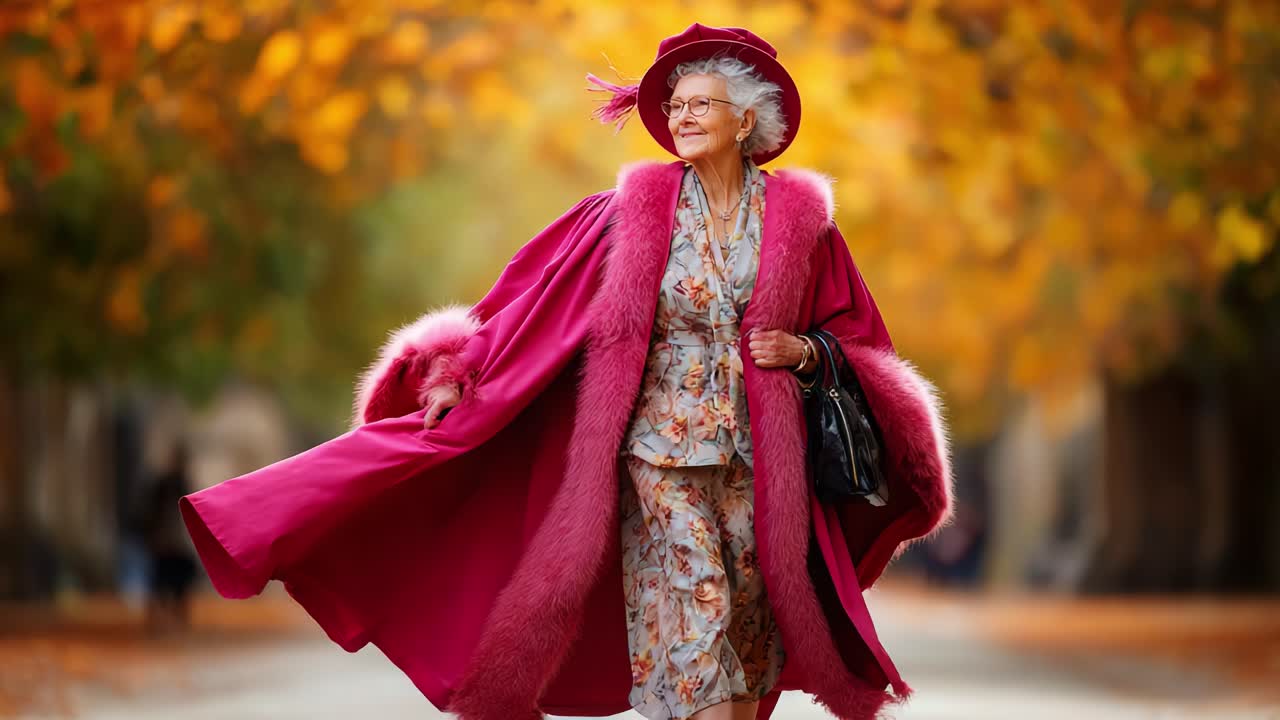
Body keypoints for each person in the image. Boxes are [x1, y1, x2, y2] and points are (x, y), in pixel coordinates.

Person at [180, 23, 954, 720]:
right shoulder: (630, 213)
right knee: (696, 616)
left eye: (700, 105)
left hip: (764, 468)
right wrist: (460, 371)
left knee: (751, 635)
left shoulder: (801, 225)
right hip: (659, 459)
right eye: (675, 105)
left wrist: (808, 355)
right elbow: (530, 303)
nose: (681, 118)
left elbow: (857, 337)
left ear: (746, 121)